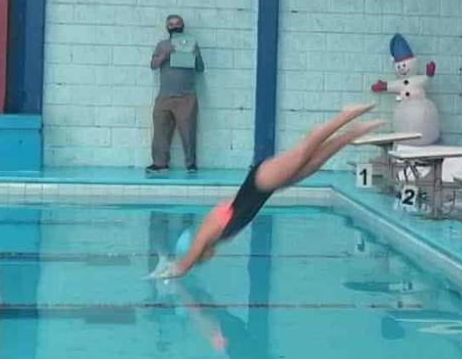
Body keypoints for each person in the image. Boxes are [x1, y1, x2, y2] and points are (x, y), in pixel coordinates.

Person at [150, 104, 382, 279]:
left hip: (261, 181)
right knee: (313, 162)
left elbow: (184, 265)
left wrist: (169, 269)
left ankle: (346, 114)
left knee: (304, 150)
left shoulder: (206, 234)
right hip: (266, 188)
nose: (206, 260)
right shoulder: (216, 236)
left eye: (201, 260)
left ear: (197, 251)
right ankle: (352, 133)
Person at [147, 14, 204, 176]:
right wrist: (165, 54)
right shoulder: (162, 45)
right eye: (170, 24)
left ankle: (191, 164)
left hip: (186, 97)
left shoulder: (191, 44)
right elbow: (153, 65)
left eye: (177, 24)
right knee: (160, 132)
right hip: (165, 96)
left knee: (188, 132)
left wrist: (195, 55)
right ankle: (160, 164)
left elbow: (200, 69)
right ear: (167, 27)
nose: (174, 27)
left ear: (183, 25)